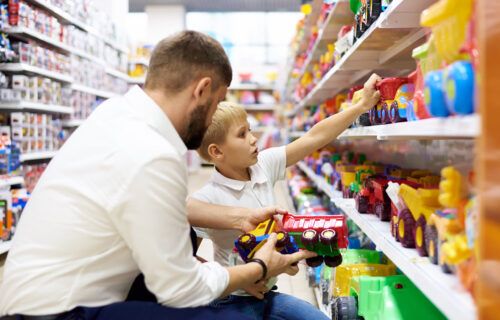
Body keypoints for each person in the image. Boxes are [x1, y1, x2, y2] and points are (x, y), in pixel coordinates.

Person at [0, 31, 315, 320]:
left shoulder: (116, 115)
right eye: (216, 103)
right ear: (202, 89)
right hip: (60, 313)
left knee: (186, 237)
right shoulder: (153, 153)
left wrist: (238, 217)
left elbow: (165, 206)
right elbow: (181, 289)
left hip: (36, 296)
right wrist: (258, 268)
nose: (211, 123)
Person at [187, 73, 381, 320]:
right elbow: (187, 260)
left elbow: (314, 137)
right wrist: (236, 279)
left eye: (250, 130)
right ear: (217, 151)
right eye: (242, 134)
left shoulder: (264, 165)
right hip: (230, 300)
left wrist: (361, 106)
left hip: (269, 295)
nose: (253, 138)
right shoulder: (207, 200)